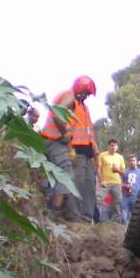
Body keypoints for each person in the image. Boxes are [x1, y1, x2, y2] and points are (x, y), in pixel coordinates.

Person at [41, 76, 98, 221]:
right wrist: (66, 132)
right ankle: (55, 215)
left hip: (59, 143)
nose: (86, 97)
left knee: (61, 179)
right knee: (66, 179)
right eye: (87, 93)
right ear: (81, 90)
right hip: (56, 142)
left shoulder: (77, 103)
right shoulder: (70, 96)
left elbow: (88, 130)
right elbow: (57, 115)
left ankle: (53, 213)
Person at [97, 139, 125, 222]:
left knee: (117, 203)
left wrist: (117, 170)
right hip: (105, 183)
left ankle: (116, 223)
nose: (113, 147)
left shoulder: (120, 157)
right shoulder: (102, 155)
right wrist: (101, 180)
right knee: (97, 199)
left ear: (117, 147)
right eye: (112, 145)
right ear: (108, 146)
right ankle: (95, 219)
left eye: (115, 145)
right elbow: (98, 169)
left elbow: (123, 173)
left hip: (116, 183)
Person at [121, 155, 140, 223]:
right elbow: (120, 183)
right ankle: (123, 227)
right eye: (130, 161)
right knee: (124, 213)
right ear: (128, 162)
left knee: (135, 214)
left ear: (137, 162)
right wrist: (126, 186)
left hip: (136, 196)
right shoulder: (125, 172)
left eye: (133, 161)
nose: (132, 162)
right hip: (126, 196)